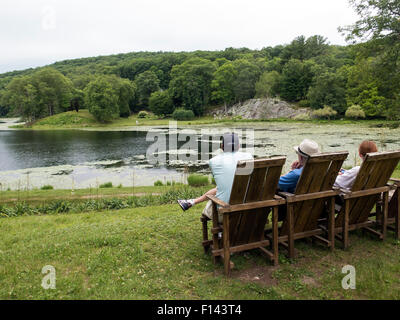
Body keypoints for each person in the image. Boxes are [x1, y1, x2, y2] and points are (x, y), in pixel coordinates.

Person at [178, 132, 253, 222]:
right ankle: (192, 202)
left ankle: (192, 202)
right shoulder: (249, 156)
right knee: (222, 188)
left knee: (214, 199)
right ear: (238, 146)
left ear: (222, 146)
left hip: (226, 212)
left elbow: (222, 185)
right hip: (251, 209)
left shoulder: (214, 161)